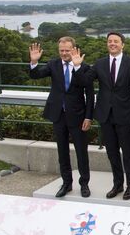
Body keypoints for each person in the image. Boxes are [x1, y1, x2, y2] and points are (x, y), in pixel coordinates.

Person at [71, 32, 130, 200]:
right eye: (109, 41)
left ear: (122, 44)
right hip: (105, 115)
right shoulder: (100, 63)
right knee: (111, 152)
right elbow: (84, 82)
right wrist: (77, 67)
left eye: (116, 41)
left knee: (128, 152)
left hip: (125, 114)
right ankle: (117, 184)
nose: (112, 44)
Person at [29, 37, 94, 198]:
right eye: (62, 51)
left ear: (74, 49)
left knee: (81, 151)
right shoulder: (53, 64)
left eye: (67, 50)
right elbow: (36, 75)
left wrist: (88, 117)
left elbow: (90, 94)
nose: (64, 53)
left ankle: (84, 183)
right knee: (62, 151)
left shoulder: (84, 67)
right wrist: (34, 62)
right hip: (58, 114)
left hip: (78, 116)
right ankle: (66, 183)